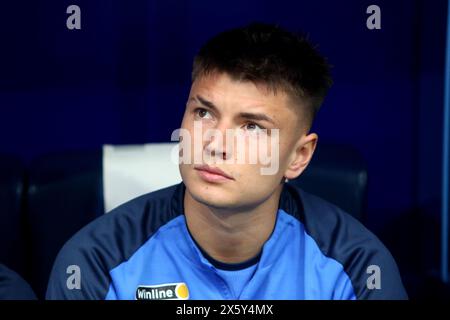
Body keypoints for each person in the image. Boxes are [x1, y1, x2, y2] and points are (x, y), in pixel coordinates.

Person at [46, 22, 407, 300]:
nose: (215, 143)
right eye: (203, 113)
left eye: (251, 126)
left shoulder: (359, 269)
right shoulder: (95, 262)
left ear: (298, 157)